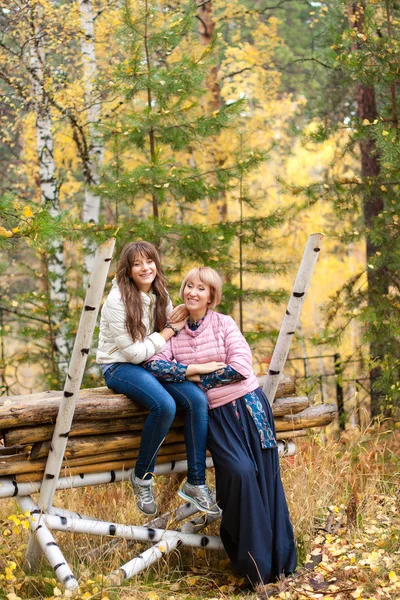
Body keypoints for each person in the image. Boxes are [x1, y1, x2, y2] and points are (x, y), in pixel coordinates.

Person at [144, 266, 297, 585]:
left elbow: (242, 367)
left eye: (201, 288)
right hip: (216, 418)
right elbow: (155, 364)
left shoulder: (224, 323)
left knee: (265, 480)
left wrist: (190, 375)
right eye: (188, 286)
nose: (192, 292)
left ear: (212, 296)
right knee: (238, 476)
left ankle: (279, 563)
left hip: (250, 409)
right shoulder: (174, 328)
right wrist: (196, 372)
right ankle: (253, 564)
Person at [96, 242, 222, 517]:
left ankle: (196, 483)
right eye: (138, 263)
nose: (145, 268)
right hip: (119, 366)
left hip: (151, 363)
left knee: (197, 400)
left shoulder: (159, 292)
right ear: (128, 270)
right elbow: (134, 352)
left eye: (149, 261)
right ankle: (142, 477)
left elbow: (175, 327)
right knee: (164, 405)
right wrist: (168, 332)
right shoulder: (116, 303)